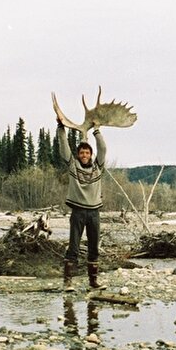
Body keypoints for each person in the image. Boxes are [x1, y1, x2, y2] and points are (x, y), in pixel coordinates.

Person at [57, 117, 106, 291]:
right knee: (74, 247)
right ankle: (68, 282)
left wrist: (97, 131)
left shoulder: (98, 167)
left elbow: (103, 148)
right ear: (78, 155)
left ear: (90, 155)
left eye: (87, 153)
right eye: (82, 153)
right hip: (78, 212)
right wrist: (61, 128)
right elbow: (64, 149)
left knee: (94, 247)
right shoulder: (73, 166)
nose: (84, 155)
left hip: (94, 213)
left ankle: (93, 282)